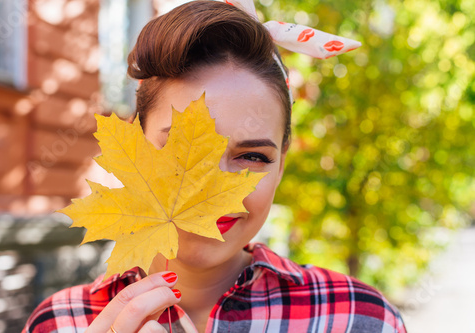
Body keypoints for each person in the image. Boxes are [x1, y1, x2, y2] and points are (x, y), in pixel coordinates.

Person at [23, 1, 406, 332]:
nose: (211, 188)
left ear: (281, 167)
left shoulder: (359, 318)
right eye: (179, 149)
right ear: (133, 148)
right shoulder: (59, 322)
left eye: (252, 157)